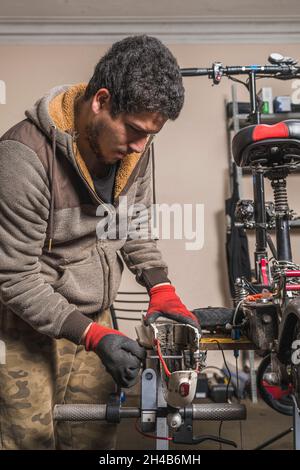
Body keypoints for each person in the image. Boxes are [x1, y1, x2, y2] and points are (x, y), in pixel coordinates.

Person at [0, 35, 200, 450]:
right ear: (101, 101)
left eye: (150, 135)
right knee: (28, 439)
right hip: (23, 327)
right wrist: (91, 335)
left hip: (97, 316)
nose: (140, 147)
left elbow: (136, 225)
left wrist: (161, 287)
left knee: (93, 437)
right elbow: (15, 276)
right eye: (133, 130)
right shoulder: (22, 157)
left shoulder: (135, 148)